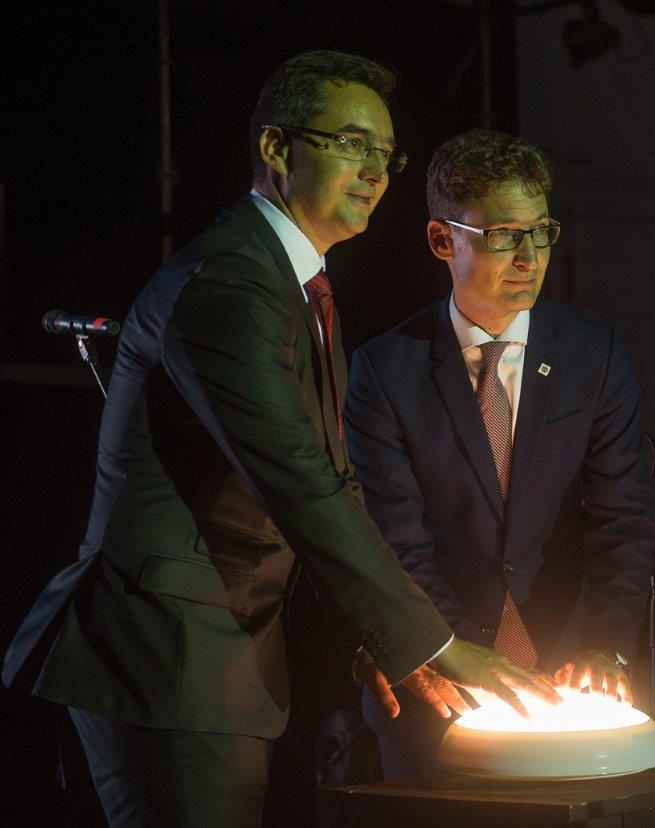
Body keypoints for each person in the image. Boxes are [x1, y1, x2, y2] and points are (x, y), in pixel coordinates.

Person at [2, 52, 557, 825]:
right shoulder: (230, 281)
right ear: (276, 148)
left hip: (216, 657)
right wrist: (433, 644)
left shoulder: (295, 284)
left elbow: (335, 479)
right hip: (168, 656)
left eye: (386, 153)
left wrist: (385, 640)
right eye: (351, 144)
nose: (376, 172)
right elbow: (301, 483)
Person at [344, 129, 655, 779]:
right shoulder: (385, 369)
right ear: (443, 240)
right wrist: (454, 652)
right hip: (436, 685)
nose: (529, 257)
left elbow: (624, 515)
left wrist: (607, 646)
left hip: (570, 680)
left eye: (541, 232)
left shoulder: (592, 354)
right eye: (503, 235)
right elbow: (395, 539)